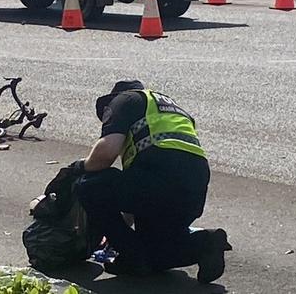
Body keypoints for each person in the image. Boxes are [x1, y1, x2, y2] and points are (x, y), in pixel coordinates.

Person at [70, 80, 232, 283]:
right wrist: (117, 236)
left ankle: (135, 256)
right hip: (194, 184)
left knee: (90, 185)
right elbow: (132, 200)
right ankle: (205, 243)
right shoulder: (169, 109)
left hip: (159, 172)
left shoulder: (125, 99)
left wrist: (77, 168)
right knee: (155, 252)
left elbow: (105, 154)